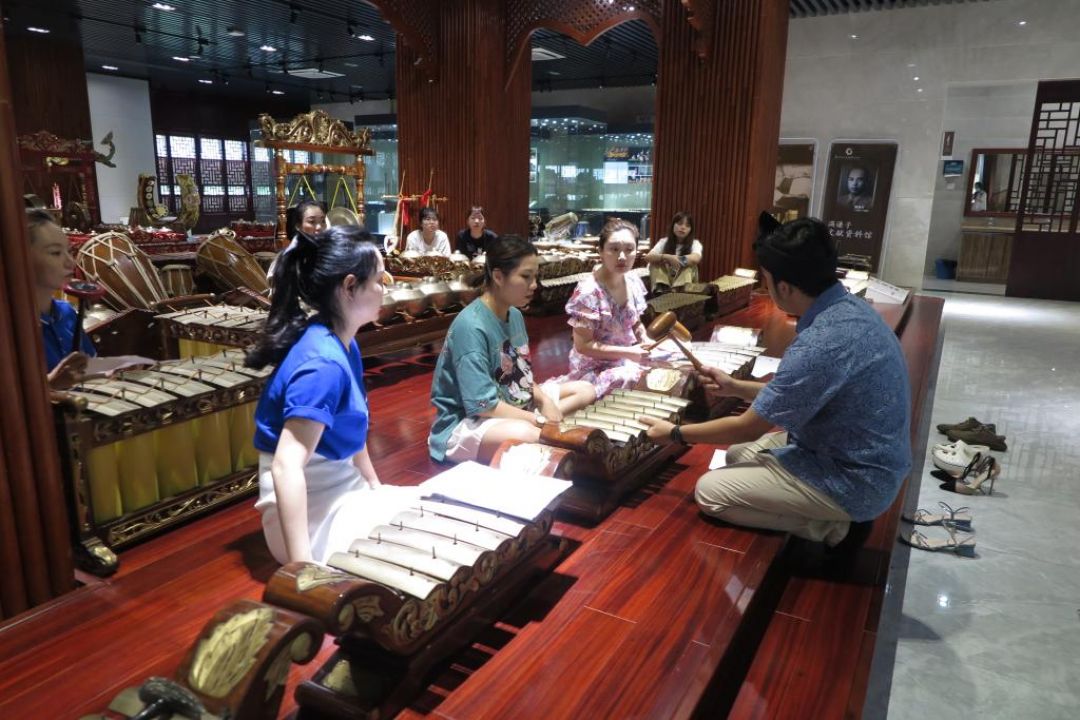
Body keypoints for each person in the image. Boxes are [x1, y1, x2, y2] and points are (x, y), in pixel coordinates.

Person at [639, 213, 911, 554]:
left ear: (784, 287)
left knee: (710, 492)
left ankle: (833, 527)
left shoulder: (822, 341)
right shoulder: (848, 309)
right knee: (737, 457)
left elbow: (746, 427)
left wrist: (675, 434)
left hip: (857, 477)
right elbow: (797, 391)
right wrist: (735, 386)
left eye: (766, 281)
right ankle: (809, 501)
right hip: (851, 449)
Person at [246, 225, 391, 564]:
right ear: (350, 287)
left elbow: (353, 436)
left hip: (340, 489)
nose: (386, 289)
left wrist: (375, 488)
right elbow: (285, 467)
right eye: (380, 281)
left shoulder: (344, 342)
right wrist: (302, 568)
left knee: (424, 514)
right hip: (311, 515)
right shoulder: (323, 363)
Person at [428, 235, 594, 464]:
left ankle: (545, 429)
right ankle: (546, 433)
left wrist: (545, 401)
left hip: (513, 400)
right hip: (468, 421)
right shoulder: (471, 327)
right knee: (528, 434)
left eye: (535, 277)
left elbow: (521, 374)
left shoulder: (514, 314)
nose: (534, 285)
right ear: (498, 276)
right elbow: (483, 405)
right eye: (526, 277)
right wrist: (540, 420)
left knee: (586, 390)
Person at [545, 218, 650, 403]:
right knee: (633, 378)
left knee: (670, 364)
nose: (622, 257)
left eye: (629, 249)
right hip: (596, 366)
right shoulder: (589, 291)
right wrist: (628, 353)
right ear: (600, 251)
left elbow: (635, 321)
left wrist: (644, 338)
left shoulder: (633, 281)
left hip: (628, 356)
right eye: (614, 249)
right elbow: (583, 345)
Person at [27, 208, 96, 389]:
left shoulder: (67, 312)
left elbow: (89, 369)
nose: (71, 263)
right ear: (20, 257)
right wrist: (50, 384)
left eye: (69, 251)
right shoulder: (9, 327)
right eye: (56, 253)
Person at [268, 200, 327, 281]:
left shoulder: (330, 254)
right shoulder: (287, 258)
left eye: (323, 221)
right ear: (298, 226)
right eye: (312, 221)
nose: (319, 227)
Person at [644, 211, 702, 292]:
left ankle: (678, 291)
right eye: (680, 223)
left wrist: (678, 260)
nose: (683, 227)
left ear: (690, 230)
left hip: (683, 284)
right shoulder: (663, 241)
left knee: (689, 266)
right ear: (673, 225)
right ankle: (662, 290)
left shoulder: (695, 243)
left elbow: (696, 258)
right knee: (655, 264)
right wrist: (667, 257)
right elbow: (648, 257)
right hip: (666, 279)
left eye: (687, 225)